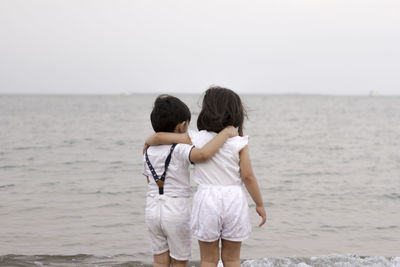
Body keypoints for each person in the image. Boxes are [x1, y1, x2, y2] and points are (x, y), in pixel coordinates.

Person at [145, 86, 267, 267]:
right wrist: (259, 204)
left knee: (208, 259)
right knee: (232, 259)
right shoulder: (239, 142)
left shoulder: (195, 138)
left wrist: (148, 142)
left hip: (207, 200)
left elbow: (161, 137)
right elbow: (248, 176)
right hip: (233, 199)